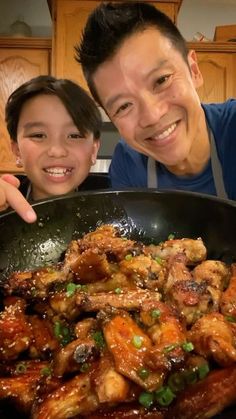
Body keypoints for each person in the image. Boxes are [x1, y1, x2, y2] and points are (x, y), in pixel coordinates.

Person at [76, 1, 236, 200]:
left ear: (194, 71)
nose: (152, 116)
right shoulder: (128, 164)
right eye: (124, 106)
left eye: (161, 80)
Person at [0, 75, 109, 222]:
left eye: (74, 136)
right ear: (17, 149)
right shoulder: (4, 205)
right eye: (38, 135)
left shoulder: (114, 201)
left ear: (94, 150)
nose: (57, 151)